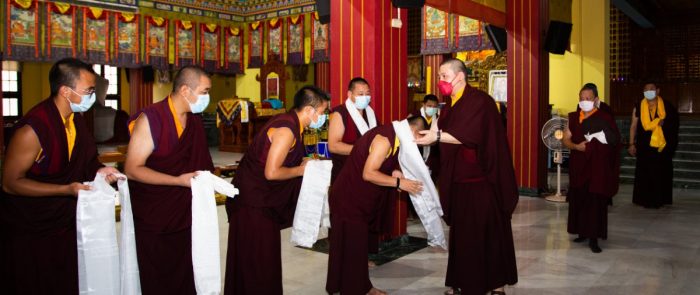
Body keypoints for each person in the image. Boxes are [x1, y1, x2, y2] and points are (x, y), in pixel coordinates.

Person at [0, 58, 119, 294]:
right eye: (89, 90)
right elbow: (10, 183)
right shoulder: (33, 129)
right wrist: (64, 190)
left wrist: (99, 170)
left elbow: (85, 162)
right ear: (66, 91)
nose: (93, 96)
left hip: (65, 221)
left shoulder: (76, 121)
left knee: (65, 278)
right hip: (31, 227)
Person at [415, 58, 518, 295]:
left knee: (487, 234)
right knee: (462, 237)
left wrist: (437, 137)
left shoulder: (480, 101)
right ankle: (462, 281)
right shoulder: (450, 105)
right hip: (458, 181)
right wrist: (425, 135)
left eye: (444, 76)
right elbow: (442, 133)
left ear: (459, 76)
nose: (440, 81)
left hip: (481, 182)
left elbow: (469, 135)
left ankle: (496, 284)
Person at [224, 86, 330, 295]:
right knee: (259, 262)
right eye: (323, 112)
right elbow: (271, 173)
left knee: (255, 261)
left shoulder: (291, 123)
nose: (323, 117)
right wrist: (300, 170)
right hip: (253, 204)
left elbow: (281, 159)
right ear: (310, 110)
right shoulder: (287, 130)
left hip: (258, 201)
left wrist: (302, 161)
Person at [124, 65, 215, 294]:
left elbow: (200, 162)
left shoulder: (193, 120)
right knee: (159, 275)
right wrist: (177, 181)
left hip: (186, 212)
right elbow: (133, 169)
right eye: (204, 92)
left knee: (186, 269)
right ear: (185, 90)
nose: (207, 97)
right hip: (156, 214)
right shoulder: (152, 118)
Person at [326, 116, 426, 295]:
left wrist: (395, 172)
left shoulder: (395, 136)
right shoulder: (384, 140)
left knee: (352, 246)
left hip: (354, 196)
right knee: (353, 248)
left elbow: (383, 164)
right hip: (349, 198)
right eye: (418, 140)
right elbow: (369, 174)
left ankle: (356, 286)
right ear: (413, 131)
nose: (416, 145)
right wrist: (398, 183)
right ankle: (356, 289)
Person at [563, 84, 621, 253]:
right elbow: (565, 140)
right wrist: (576, 147)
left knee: (595, 202)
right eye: (581, 99)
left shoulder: (604, 117)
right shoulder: (573, 117)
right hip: (578, 164)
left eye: (588, 99)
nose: (584, 102)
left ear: (596, 100)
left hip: (597, 167)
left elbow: (614, 141)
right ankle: (582, 232)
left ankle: (594, 238)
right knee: (579, 199)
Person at [629, 82, 679, 208]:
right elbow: (633, 126)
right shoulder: (638, 106)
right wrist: (631, 143)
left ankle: (661, 199)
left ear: (658, 91)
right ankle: (643, 199)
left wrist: (664, 124)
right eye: (645, 89)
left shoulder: (667, 107)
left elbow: (674, 126)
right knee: (645, 173)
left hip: (662, 146)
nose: (648, 91)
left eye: (651, 89)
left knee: (661, 173)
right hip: (644, 145)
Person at [328, 77, 378, 183]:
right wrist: (362, 149)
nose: (365, 97)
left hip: (367, 172)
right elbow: (333, 146)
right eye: (360, 94)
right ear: (350, 95)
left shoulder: (370, 113)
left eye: (367, 94)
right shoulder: (340, 113)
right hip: (345, 173)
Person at [411, 94, 441, 177]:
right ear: (423, 105)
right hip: (417, 153)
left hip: (433, 155)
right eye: (429, 106)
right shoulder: (414, 116)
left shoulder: (439, 118)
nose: (432, 108)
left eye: (434, 107)